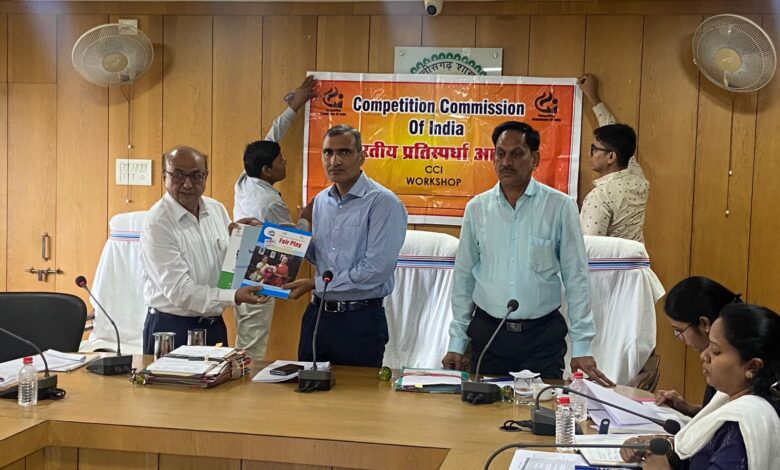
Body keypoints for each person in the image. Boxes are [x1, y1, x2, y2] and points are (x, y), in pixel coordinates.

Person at [441, 121, 614, 386]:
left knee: (544, 407)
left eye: (516, 154)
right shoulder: (477, 209)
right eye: (500, 153)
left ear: (534, 159)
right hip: (489, 335)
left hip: (541, 337)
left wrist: (582, 346)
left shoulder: (559, 207)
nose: (506, 162)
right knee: (482, 408)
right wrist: (457, 341)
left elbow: (576, 278)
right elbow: (464, 279)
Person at [285, 125, 407, 367]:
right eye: (328, 152)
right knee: (307, 387)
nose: (335, 160)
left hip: (359, 320)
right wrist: (288, 238)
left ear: (362, 156)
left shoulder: (383, 203)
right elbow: (321, 256)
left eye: (344, 152)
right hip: (317, 316)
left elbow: (375, 270)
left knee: (356, 391)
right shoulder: (321, 201)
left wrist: (315, 284)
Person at [621, 303, 780, 470]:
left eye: (716, 351)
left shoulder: (745, 423)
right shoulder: (726, 398)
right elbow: (698, 454)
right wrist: (663, 447)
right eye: (708, 345)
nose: (704, 355)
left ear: (752, 367)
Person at [140, 146, 266, 354]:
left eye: (196, 175)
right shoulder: (157, 222)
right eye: (178, 175)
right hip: (172, 329)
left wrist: (241, 239)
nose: (187, 184)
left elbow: (226, 265)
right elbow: (180, 291)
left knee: (221, 377)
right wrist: (234, 296)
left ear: (206, 176)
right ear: (164, 177)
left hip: (214, 325)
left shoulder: (216, 209)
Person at [232, 76, 316, 361]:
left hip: (238, 266)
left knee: (246, 337)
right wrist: (305, 219)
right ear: (267, 170)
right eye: (280, 160)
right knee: (252, 344)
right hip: (257, 273)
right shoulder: (269, 203)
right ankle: (244, 382)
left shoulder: (245, 179)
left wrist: (293, 107)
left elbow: (271, 137)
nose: (285, 162)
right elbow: (292, 244)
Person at [655, 276, 742, 417]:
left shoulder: (734, 361)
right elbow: (719, 414)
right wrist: (689, 409)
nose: (704, 357)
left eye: (680, 330)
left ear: (704, 324)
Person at [578, 73, 649, 242]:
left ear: (611, 157)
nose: (589, 154)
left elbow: (590, 248)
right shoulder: (638, 179)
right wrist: (593, 97)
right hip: (636, 259)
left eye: (594, 149)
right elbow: (614, 134)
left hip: (609, 261)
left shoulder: (599, 197)